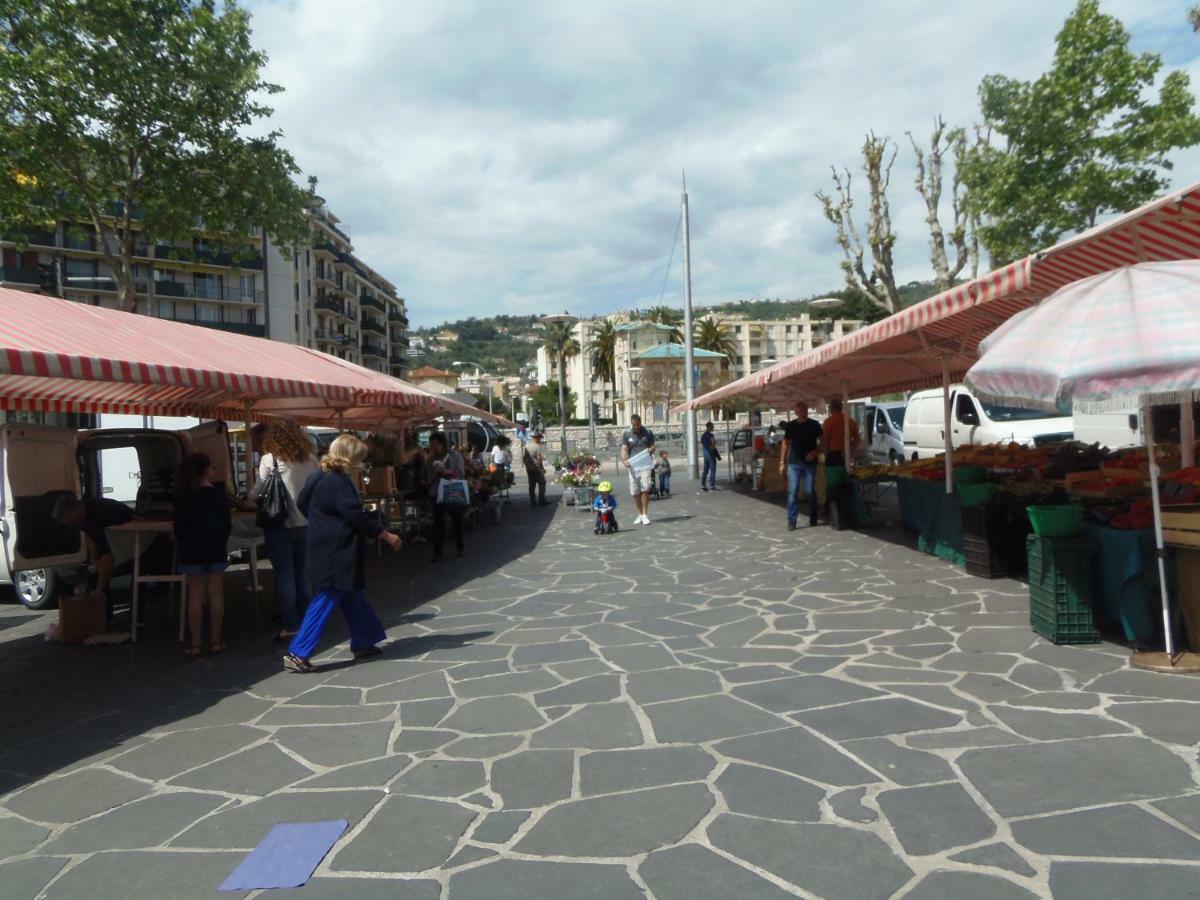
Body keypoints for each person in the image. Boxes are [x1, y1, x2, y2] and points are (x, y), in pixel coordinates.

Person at [284, 434, 401, 673]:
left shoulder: (318, 476)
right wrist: (385, 534)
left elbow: (303, 504)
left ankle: (364, 641)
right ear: (351, 458)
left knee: (352, 596)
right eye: (360, 459)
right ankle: (298, 652)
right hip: (337, 551)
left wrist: (323, 522)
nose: (361, 464)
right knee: (328, 597)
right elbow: (354, 516)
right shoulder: (339, 481)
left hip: (322, 546)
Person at [248, 419, 320, 644]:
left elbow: (258, 491)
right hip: (307, 522)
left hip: (281, 524)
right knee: (303, 575)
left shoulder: (270, 459)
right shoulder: (311, 459)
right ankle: (310, 621)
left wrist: (247, 500)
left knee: (285, 575)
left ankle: (290, 625)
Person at [174, 453, 232, 656]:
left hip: (190, 549)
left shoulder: (183, 496)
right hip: (215, 546)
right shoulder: (219, 494)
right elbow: (227, 524)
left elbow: (178, 528)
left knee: (195, 595)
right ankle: (216, 640)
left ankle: (196, 644)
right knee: (216, 592)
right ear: (207, 470)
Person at [51, 494, 135, 600]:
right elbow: (91, 537)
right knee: (93, 571)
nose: (71, 525)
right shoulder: (81, 518)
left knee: (102, 569)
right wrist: (94, 560)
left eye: (70, 520)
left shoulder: (101, 512)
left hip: (130, 538)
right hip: (113, 541)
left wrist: (98, 590)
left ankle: (98, 597)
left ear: (75, 509)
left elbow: (108, 556)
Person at [779, 402, 823, 530]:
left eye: (805, 410)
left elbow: (823, 442)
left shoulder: (814, 425)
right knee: (792, 492)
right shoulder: (791, 426)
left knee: (809, 491)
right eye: (801, 410)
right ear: (796, 412)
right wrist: (782, 462)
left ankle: (813, 515)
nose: (804, 412)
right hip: (794, 463)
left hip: (810, 463)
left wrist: (815, 451)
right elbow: (785, 444)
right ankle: (792, 520)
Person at [428, 433, 467, 561]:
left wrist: (447, 471)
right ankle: (437, 553)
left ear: (442, 443)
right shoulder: (430, 459)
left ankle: (460, 548)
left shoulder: (454, 455)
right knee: (438, 524)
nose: (432, 446)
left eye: (435, 443)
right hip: (437, 494)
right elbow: (428, 478)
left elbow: (461, 473)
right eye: (431, 443)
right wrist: (434, 473)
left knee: (457, 521)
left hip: (452, 491)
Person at [620, 414, 656, 525]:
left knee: (645, 488)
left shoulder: (648, 432)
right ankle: (640, 514)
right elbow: (624, 448)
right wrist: (624, 459)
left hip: (645, 464)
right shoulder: (627, 434)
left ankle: (645, 514)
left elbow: (653, 446)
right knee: (635, 492)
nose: (635, 427)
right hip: (633, 464)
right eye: (633, 425)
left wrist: (651, 449)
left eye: (636, 425)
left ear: (640, 423)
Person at [822, 398, 860, 469]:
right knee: (846, 476)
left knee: (834, 478)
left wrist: (825, 452)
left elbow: (825, 439)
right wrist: (850, 448)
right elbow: (857, 439)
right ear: (841, 407)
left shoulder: (828, 422)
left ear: (831, 408)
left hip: (832, 454)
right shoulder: (850, 421)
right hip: (846, 452)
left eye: (829, 407)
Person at [524, 432, 549, 506]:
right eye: (540, 438)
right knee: (542, 482)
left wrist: (527, 466)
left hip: (529, 469)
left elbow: (524, 458)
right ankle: (541, 500)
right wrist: (542, 468)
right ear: (537, 438)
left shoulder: (527, 446)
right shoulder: (537, 446)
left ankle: (532, 501)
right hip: (536, 468)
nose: (540, 439)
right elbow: (539, 458)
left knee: (531, 485)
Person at [700, 421, 719, 491]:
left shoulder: (703, 435)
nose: (713, 427)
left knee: (705, 470)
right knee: (713, 470)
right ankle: (712, 486)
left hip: (705, 453)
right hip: (710, 454)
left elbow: (701, 444)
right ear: (709, 427)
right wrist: (712, 447)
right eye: (712, 426)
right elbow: (713, 443)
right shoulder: (711, 435)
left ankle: (703, 485)